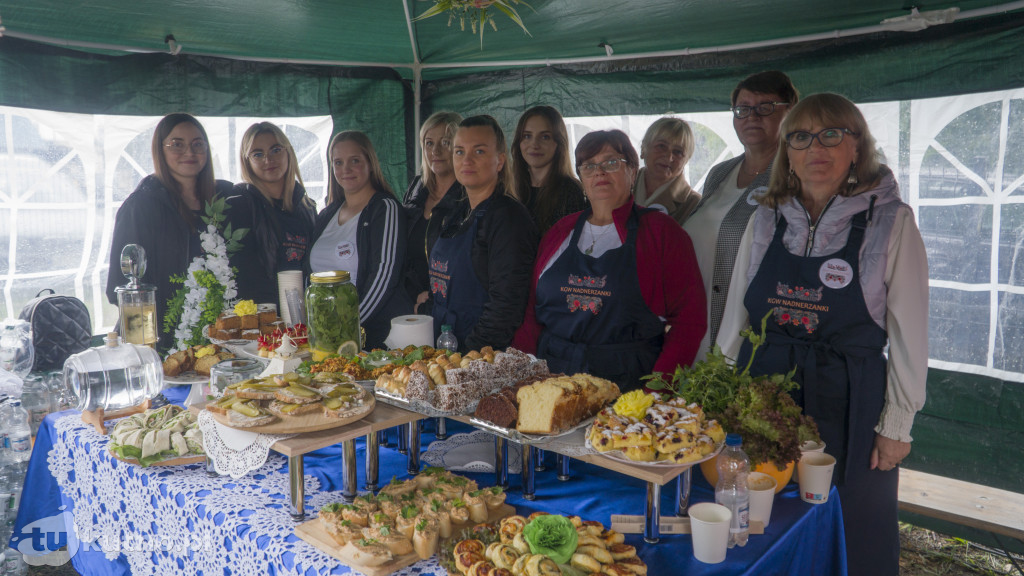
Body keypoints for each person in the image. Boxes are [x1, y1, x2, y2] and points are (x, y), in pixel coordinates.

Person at [738, 93, 928, 576]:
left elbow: (910, 332)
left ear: (857, 148)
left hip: (850, 398)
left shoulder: (891, 221)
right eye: (801, 137)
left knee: (853, 523)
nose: (815, 148)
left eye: (831, 134)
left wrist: (897, 425)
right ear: (788, 153)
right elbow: (736, 315)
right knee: (766, 515)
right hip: (765, 393)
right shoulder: (766, 217)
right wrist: (720, 386)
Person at [513, 130, 706, 391]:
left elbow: (689, 323)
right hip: (553, 381)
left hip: (625, 387)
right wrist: (520, 378)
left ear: (633, 170)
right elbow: (531, 313)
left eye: (611, 162)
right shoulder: (560, 231)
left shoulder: (661, 232)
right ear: (581, 176)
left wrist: (655, 393)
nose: (599, 172)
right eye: (589, 165)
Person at [683, 70, 799, 361]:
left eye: (766, 107)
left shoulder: (795, 177)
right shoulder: (720, 173)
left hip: (748, 328)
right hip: (697, 321)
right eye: (743, 109)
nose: (752, 116)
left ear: (791, 111)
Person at [106, 113, 232, 352]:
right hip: (160, 343)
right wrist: (147, 347)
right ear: (160, 150)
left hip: (214, 338)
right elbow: (121, 286)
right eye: (177, 144)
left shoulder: (221, 201)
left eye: (198, 144)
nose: (189, 152)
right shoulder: (141, 206)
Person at [427, 115, 538, 352]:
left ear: (499, 161)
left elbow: (505, 309)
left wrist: (469, 359)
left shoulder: (509, 219)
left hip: (482, 362)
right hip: (444, 351)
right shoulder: (456, 214)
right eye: (459, 151)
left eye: (478, 152)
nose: (466, 160)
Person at [306, 131, 410, 350]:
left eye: (355, 160)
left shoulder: (384, 209)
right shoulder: (326, 215)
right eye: (338, 162)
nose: (346, 169)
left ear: (370, 163)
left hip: (373, 340)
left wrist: (347, 327)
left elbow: (383, 277)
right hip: (326, 338)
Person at [227, 122, 317, 306]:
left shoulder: (307, 207)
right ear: (247, 161)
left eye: (276, 150)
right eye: (257, 154)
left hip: (303, 314)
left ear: (288, 152)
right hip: (261, 317)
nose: (268, 160)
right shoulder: (240, 202)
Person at [402, 111, 464, 312]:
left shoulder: (468, 194)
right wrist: (413, 295)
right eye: (429, 143)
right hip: (410, 303)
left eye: (445, 143)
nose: (435, 151)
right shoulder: (416, 189)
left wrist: (432, 296)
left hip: (450, 305)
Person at [510, 105, 586, 234]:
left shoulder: (570, 191)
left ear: (558, 143)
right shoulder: (510, 188)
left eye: (545, 137)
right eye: (527, 136)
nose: (534, 144)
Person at [633, 117, 700, 225]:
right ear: (643, 149)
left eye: (678, 152)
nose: (669, 157)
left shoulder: (694, 205)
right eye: (661, 146)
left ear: (686, 160)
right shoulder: (621, 187)